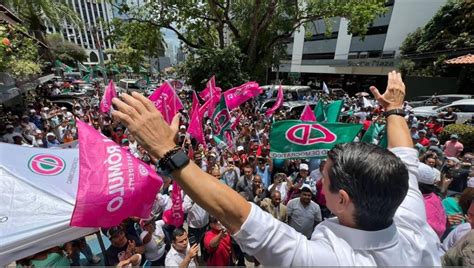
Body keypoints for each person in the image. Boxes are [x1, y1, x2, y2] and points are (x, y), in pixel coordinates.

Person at [111, 71, 441, 265]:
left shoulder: (332, 261)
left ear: (342, 199)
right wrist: (394, 109)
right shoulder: (407, 211)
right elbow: (405, 159)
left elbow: (242, 217)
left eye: (322, 176)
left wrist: (167, 152)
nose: (317, 179)